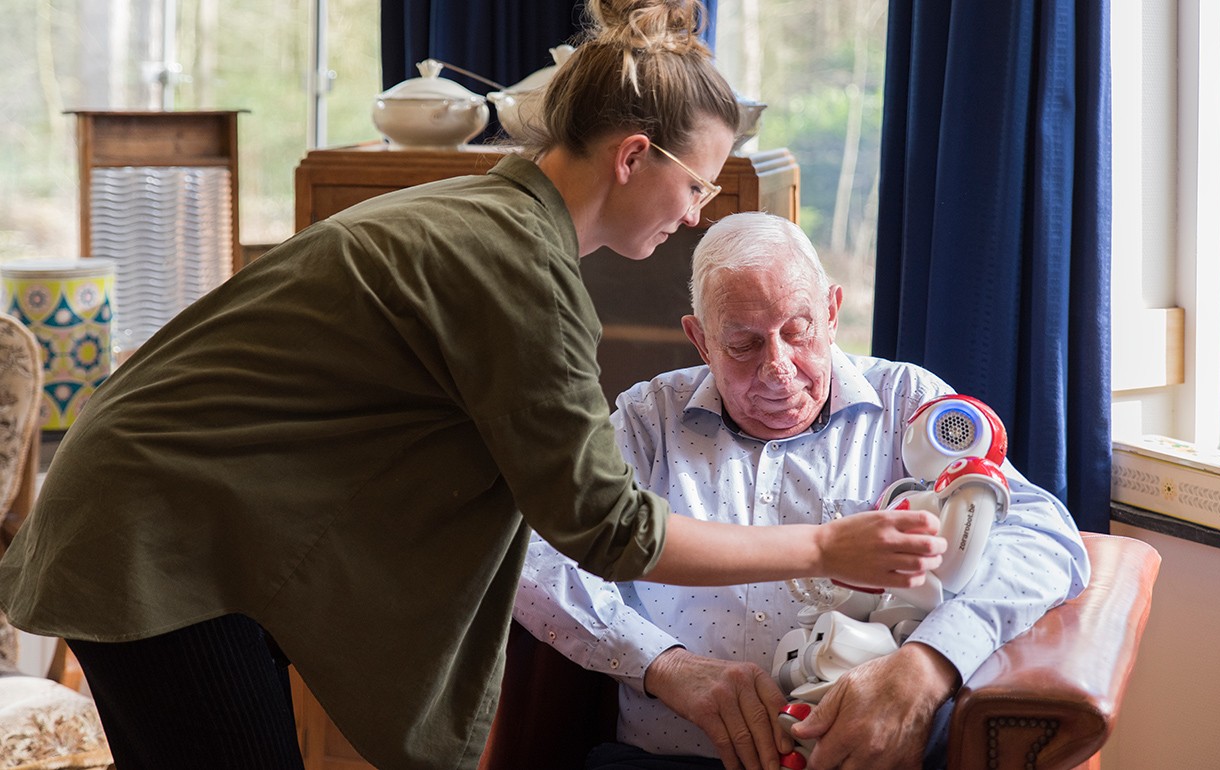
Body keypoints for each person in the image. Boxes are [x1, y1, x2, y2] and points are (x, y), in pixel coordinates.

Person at [0, 4, 953, 770]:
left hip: (172, 509)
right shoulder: (518, 269)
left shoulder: (490, 215)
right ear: (632, 156)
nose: (697, 212)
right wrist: (829, 543)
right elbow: (609, 529)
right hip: (151, 527)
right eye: (698, 186)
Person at [515, 211, 1091, 770]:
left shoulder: (911, 404)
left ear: (833, 312)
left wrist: (930, 662)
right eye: (743, 345)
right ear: (700, 340)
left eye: (797, 331)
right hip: (674, 757)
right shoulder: (649, 420)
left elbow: (1044, 537)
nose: (779, 368)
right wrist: (663, 664)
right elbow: (533, 551)